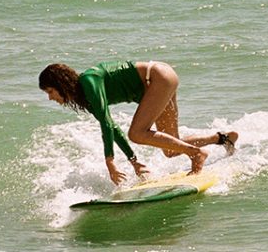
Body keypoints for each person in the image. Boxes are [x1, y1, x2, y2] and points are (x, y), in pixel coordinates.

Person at [38, 60, 238, 185]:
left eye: (50, 91)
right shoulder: (85, 96)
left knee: (137, 133)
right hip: (160, 80)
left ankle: (196, 154)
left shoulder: (89, 82)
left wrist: (110, 162)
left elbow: (106, 124)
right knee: (171, 148)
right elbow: (113, 128)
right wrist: (134, 162)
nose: (50, 98)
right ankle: (222, 138)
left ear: (60, 84)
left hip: (157, 78)